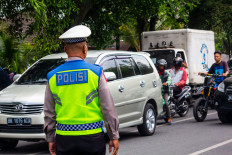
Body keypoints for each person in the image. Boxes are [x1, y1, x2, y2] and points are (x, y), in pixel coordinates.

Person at [44, 25, 119, 155]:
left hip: (64, 138)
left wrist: (50, 138)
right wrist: (113, 135)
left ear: (65, 50)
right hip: (92, 137)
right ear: (85, 49)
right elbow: (107, 107)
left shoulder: (52, 76)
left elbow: (49, 111)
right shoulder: (95, 73)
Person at [157, 59, 172, 124]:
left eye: (162, 66)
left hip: (165, 91)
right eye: (160, 66)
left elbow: (170, 80)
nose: (161, 67)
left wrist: (167, 83)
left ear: (164, 66)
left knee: (166, 103)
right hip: (157, 91)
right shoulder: (156, 73)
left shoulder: (167, 73)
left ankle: (169, 117)